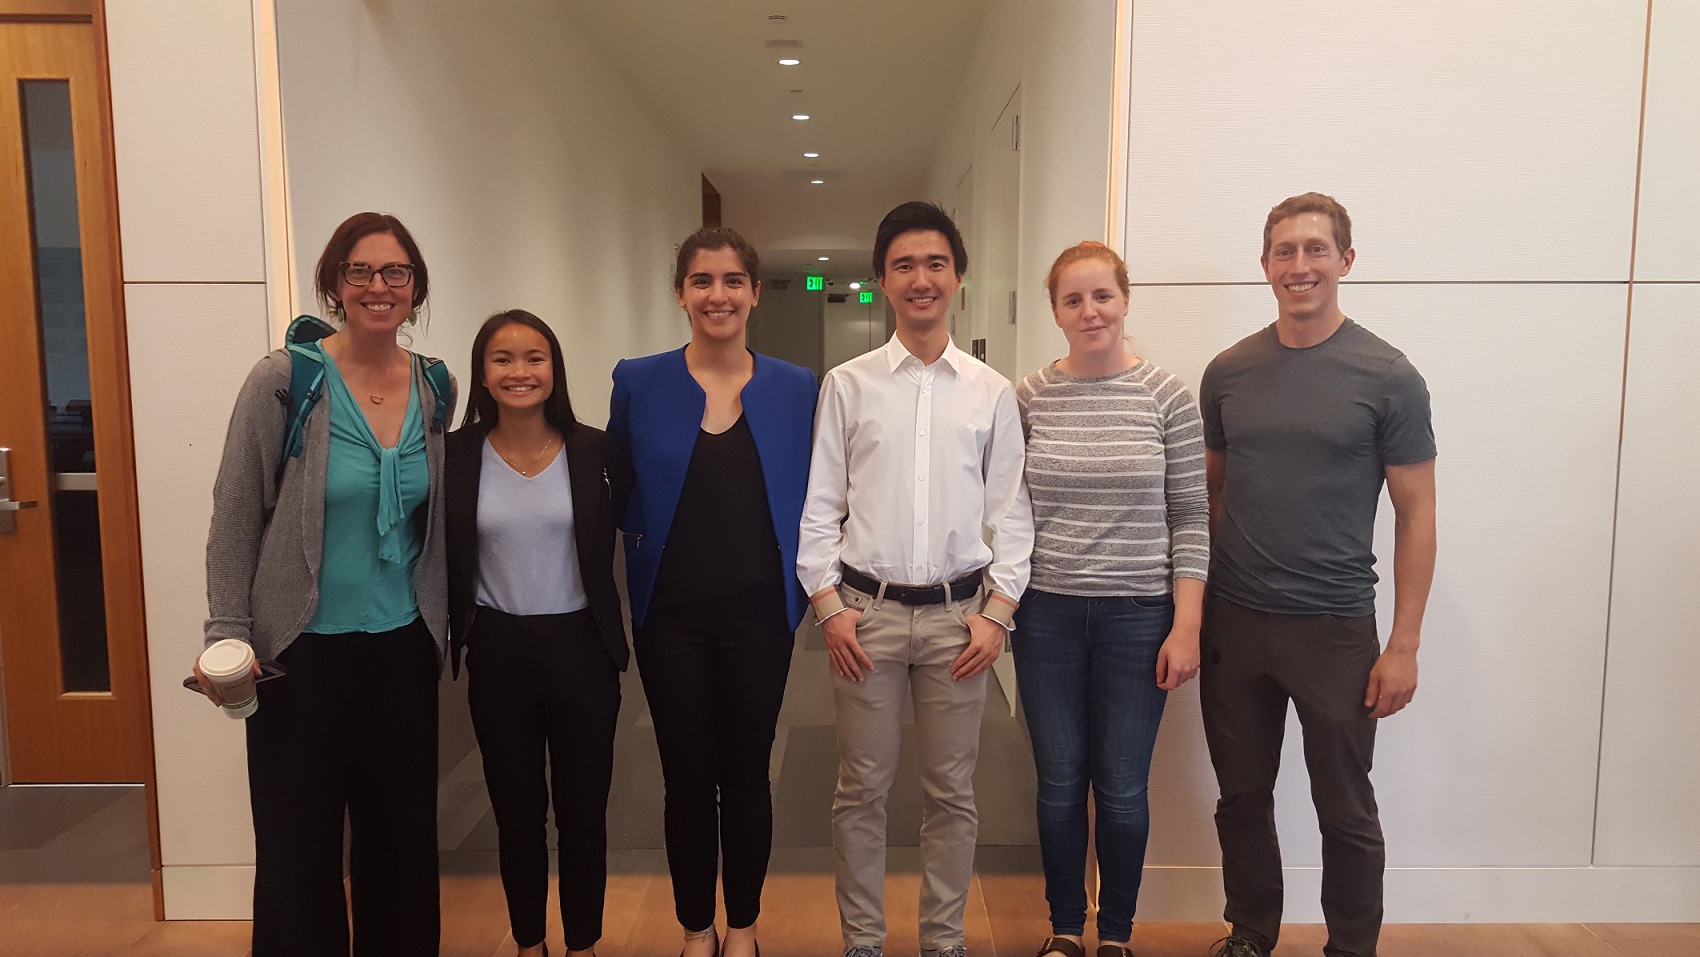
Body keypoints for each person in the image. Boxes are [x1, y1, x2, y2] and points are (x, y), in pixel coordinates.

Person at [199, 211, 453, 956]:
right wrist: (226, 635)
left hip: (401, 647)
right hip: (299, 654)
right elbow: (235, 514)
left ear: (416, 287)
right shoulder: (285, 381)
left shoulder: (436, 385)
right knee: (296, 849)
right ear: (335, 285)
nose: (379, 286)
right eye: (360, 272)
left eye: (395, 272)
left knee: (402, 844)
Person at [1200, 193, 1437, 957]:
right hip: (1234, 624)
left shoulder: (1389, 375)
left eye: (1315, 250)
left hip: (1336, 628)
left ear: (1345, 260)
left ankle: (1351, 947)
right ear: (1265, 264)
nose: (1299, 266)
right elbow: (1212, 491)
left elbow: (1417, 513)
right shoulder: (1229, 372)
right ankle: (1250, 932)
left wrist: (1402, 643)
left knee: (1344, 805)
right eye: (1284, 252)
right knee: (1240, 796)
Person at [798, 201, 1034, 957]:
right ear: (882, 281)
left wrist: (999, 612)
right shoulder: (847, 384)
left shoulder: (991, 391)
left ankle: (944, 943)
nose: (921, 278)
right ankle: (862, 942)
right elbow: (820, 505)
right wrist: (828, 605)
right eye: (904, 264)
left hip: (958, 620)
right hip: (862, 615)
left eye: (935, 263)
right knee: (861, 789)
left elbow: (1013, 513)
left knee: (951, 793)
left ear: (957, 279)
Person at [607, 227, 817, 957]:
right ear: (680, 293)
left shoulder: (798, 386)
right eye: (702, 280)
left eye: (732, 280)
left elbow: (817, 494)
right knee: (686, 779)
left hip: (762, 616)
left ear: (755, 292)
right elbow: (618, 484)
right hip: (671, 618)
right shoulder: (638, 379)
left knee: (748, 775)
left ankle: (745, 927)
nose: (717, 294)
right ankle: (697, 927)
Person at [1013, 241, 1208, 957]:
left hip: (1139, 616)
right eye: (1073, 299)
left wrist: (1185, 624)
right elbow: (1008, 512)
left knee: (1123, 787)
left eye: (1102, 296)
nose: (1090, 311)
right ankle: (1066, 928)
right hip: (1046, 616)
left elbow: (1191, 513)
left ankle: (1117, 933)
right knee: (1060, 780)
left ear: (1125, 301)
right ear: (1056, 311)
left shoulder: (1165, 395)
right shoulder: (1028, 396)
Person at [446, 310, 626, 957]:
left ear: (554, 369)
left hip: (582, 649)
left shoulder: (595, 448)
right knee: (517, 815)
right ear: (483, 373)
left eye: (534, 357)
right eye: (503, 359)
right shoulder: (455, 455)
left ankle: (582, 944)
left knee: (583, 815)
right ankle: (529, 942)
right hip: (498, 650)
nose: (520, 371)